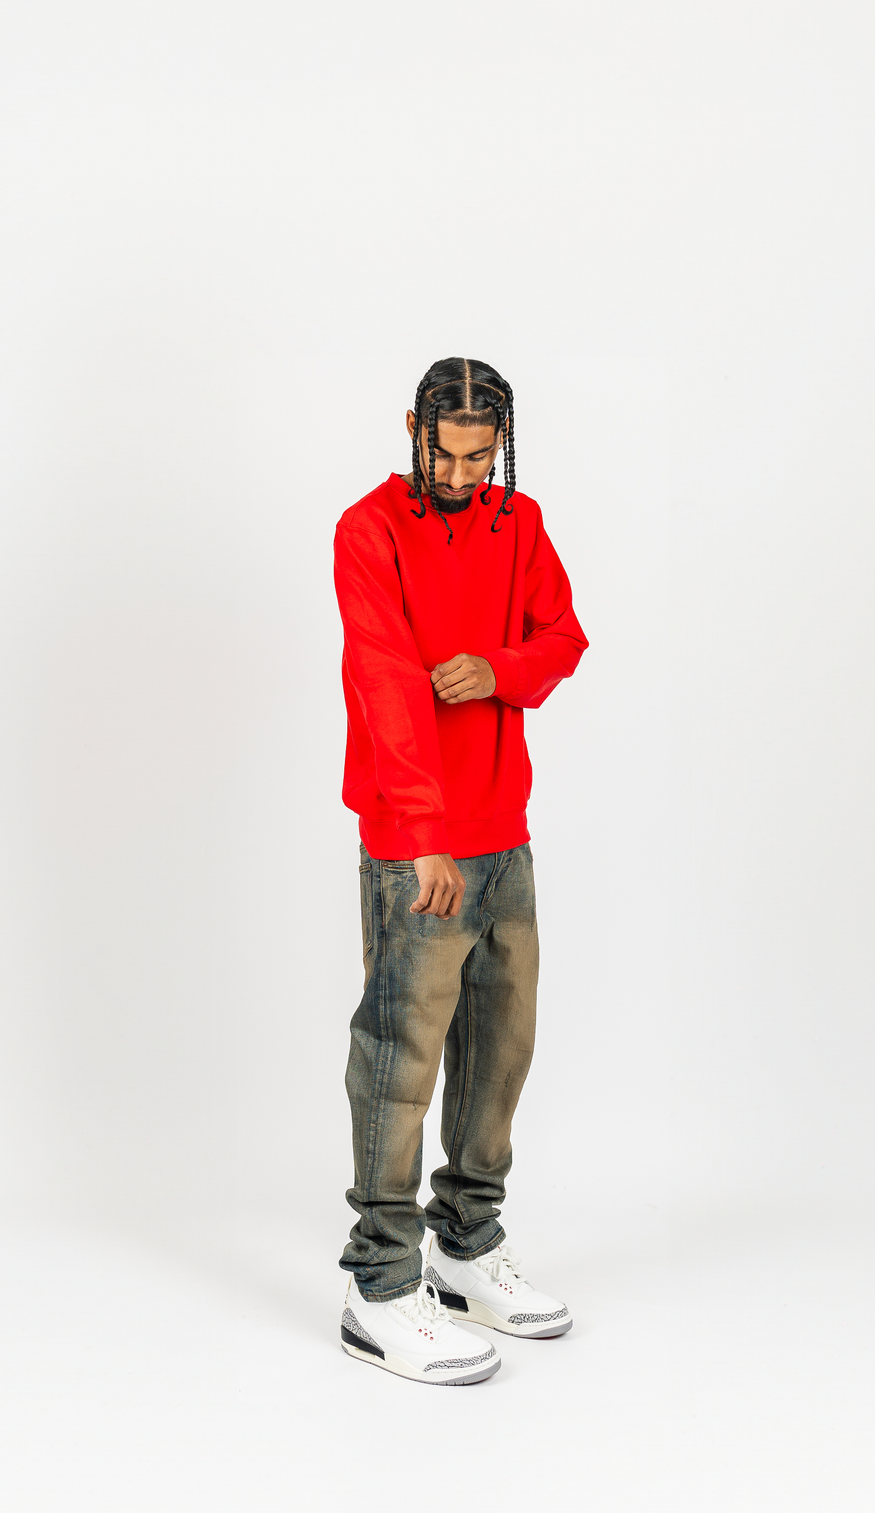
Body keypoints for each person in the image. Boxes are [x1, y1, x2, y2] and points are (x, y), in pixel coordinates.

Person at [331, 356, 589, 1385]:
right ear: (414, 429)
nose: (462, 474)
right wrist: (423, 831)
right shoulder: (369, 530)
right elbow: (384, 679)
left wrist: (501, 671)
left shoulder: (518, 525)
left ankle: (465, 1247)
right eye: (447, 454)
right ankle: (379, 1284)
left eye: (482, 459)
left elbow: (562, 635)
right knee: (400, 1058)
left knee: (499, 1050)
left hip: (503, 834)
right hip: (418, 840)